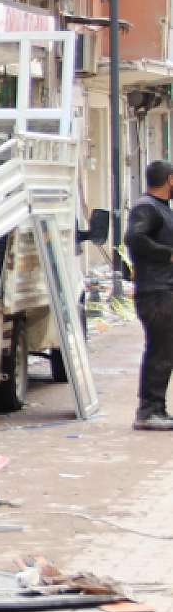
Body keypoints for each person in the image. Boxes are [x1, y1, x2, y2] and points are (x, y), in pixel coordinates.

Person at [126, 160, 173, 430]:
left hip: (163, 289)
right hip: (156, 291)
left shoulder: (161, 209)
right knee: (161, 351)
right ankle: (149, 410)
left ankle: (157, 408)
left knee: (165, 351)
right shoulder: (147, 207)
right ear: (170, 180)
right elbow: (135, 238)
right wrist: (168, 254)